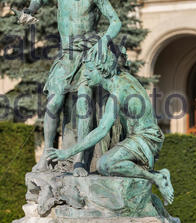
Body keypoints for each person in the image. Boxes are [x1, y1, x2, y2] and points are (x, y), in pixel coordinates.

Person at [26, 0, 121, 176]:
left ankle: (80, 160)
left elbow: (115, 22)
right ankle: (48, 156)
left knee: (83, 104)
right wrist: (30, 9)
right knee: (52, 103)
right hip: (66, 55)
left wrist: (103, 42)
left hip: (88, 55)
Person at [47, 47, 174, 205]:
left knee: (105, 165)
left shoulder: (118, 92)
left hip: (145, 138)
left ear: (103, 70)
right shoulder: (122, 77)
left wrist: (68, 152)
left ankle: (157, 177)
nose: (85, 75)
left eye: (90, 70)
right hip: (141, 136)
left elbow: (101, 130)